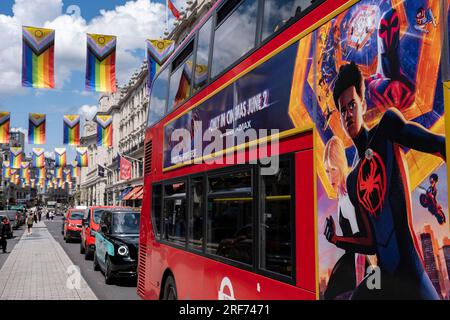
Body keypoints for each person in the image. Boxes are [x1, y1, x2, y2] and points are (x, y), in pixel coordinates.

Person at [325, 62, 445, 299]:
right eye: (343, 111)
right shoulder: (352, 179)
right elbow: (370, 242)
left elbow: (437, 145)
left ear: (363, 104)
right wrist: (338, 239)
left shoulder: (388, 128)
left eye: (352, 105)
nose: (348, 114)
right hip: (382, 276)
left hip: (409, 271)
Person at [323, 136, 369, 299]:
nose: (330, 178)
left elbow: (363, 245)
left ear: (341, 165)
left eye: (333, 169)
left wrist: (358, 285)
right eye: (327, 170)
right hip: (351, 262)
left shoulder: (349, 196)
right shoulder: (342, 196)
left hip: (358, 265)